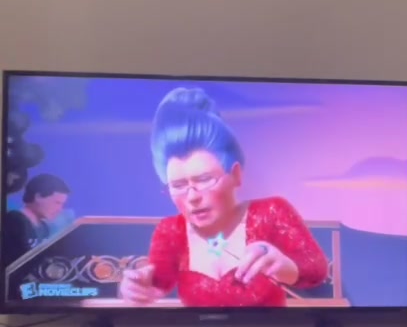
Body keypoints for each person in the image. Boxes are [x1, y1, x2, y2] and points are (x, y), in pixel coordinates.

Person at [119, 87, 329, 307]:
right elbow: (156, 280)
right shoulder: (171, 231)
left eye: (204, 180)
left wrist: (285, 267)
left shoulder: (271, 213)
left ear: (235, 175)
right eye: (178, 185)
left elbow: (316, 269)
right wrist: (135, 285)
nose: (192, 197)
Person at [3, 173, 71, 266]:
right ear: (38, 196)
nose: (59, 209)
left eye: (62, 204)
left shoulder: (44, 228)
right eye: (57, 203)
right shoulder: (15, 220)